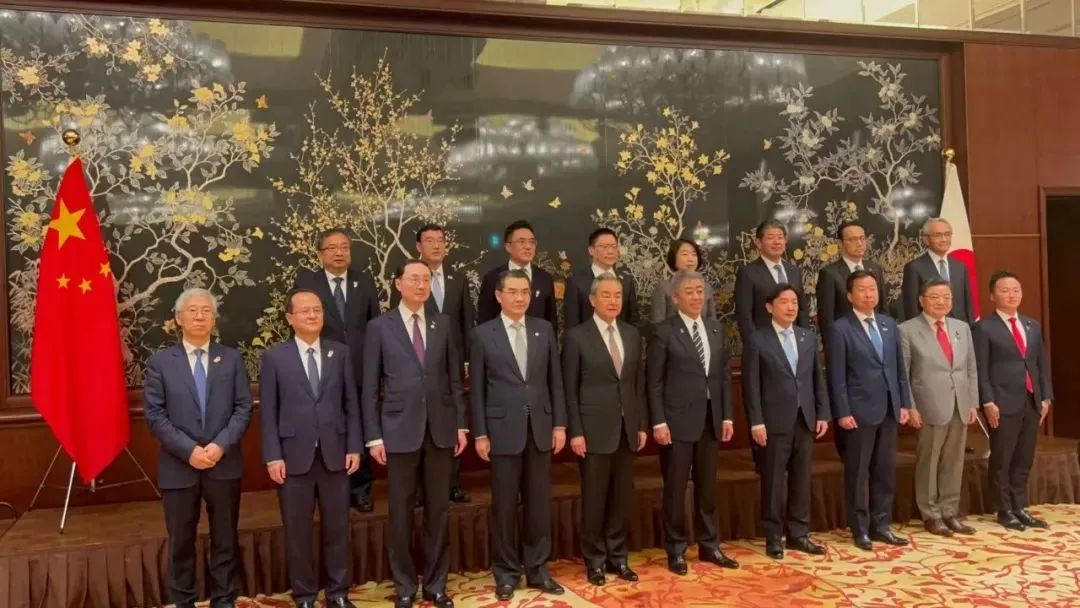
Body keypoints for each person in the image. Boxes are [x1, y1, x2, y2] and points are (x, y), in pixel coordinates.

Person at [363, 260, 467, 608]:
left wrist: (461, 424)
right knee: (401, 512)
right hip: (398, 430)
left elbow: (454, 380)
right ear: (398, 284)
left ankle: (436, 585)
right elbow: (370, 386)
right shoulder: (380, 327)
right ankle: (405, 586)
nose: (421, 285)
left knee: (439, 510)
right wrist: (374, 436)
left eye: (425, 280)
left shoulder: (444, 323)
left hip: (440, 429)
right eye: (414, 279)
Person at [144, 288, 253, 608]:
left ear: (215, 319)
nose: (200, 316)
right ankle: (184, 601)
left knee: (225, 538)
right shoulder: (161, 363)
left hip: (224, 462)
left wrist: (220, 445)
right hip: (179, 465)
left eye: (206, 310)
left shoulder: (231, 359)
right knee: (181, 541)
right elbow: (155, 415)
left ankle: (224, 599)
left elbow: (243, 408)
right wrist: (190, 450)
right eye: (192, 310)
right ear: (179, 319)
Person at [260, 288, 361, 608]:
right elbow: (268, 412)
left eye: (317, 309)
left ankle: (338, 593)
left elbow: (351, 404)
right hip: (293, 458)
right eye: (305, 311)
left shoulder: (339, 353)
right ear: (290, 318)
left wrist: (354, 446)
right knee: (298, 532)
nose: (313, 315)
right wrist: (273, 455)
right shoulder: (275, 357)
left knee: (338, 529)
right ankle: (304, 595)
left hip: (335, 455)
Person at [470, 269, 567, 601]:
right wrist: (480, 433)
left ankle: (538, 569)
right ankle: (506, 573)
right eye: (512, 292)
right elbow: (477, 390)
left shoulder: (544, 329)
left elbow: (555, 381)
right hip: (501, 431)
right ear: (499, 296)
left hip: (540, 428)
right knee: (505, 505)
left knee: (538, 504)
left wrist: (559, 425)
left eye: (525, 291)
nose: (520, 297)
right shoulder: (483, 334)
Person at [648, 270, 739, 575]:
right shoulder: (664, 332)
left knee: (707, 487)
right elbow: (654, 381)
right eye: (689, 291)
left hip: (711, 420)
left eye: (700, 291)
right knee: (675, 489)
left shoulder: (715, 328)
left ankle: (709, 544)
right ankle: (675, 549)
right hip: (676, 422)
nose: (696, 296)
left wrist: (727, 415)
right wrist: (658, 421)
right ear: (675, 298)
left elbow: (723, 377)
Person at [562, 273, 646, 585]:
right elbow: (569, 389)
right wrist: (575, 431)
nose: (613, 301)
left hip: (627, 428)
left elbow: (637, 384)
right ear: (592, 300)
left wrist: (641, 424)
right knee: (595, 500)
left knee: (621, 498)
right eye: (607, 295)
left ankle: (617, 557)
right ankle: (594, 560)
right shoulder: (576, 337)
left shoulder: (632, 334)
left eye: (618, 296)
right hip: (592, 430)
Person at [292, 227, 381, 512]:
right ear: (320, 254)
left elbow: (375, 326)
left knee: (361, 425)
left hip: (360, 368)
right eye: (332, 248)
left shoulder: (364, 281)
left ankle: (361, 488)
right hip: (322, 369)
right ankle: (327, 488)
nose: (340, 252)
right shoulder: (307, 282)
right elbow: (298, 326)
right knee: (328, 426)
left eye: (344, 247)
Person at [741, 284, 829, 560]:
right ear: (770, 307)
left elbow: (816, 379)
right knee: (773, 482)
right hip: (773, 422)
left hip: (805, 419)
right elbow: (751, 385)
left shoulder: (806, 337)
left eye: (794, 302)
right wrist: (756, 422)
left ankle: (798, 534)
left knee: (801, 479)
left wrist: (822, 413)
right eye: (784, 302)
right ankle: (773, 537)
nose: (791, 307)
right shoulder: (757, 340)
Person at [825, 269, 911, 551]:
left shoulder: (888, 324)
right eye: (862, 290)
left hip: (889, 409)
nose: (868, 294)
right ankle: (860, 528)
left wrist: (903, 403)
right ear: (850, 296)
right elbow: (836, 376)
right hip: (858, 412)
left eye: (872, 289)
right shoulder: (840, 328)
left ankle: (881, 525)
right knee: (858, 473)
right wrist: (843, 411)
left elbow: (898, 369)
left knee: (884, 471)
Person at [390, 224, 475, 503]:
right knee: (419, 425)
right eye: (429, 240)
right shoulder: (407, 277)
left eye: (441, 240)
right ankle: (417, 489)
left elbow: (466, 321)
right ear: (418, 246)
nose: (436, 245)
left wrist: (466, 359)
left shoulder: (457, 278)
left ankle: (451, 483)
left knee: (449, 420)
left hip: (450, 362)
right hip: (415, 364)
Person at [899, 277, 979, 537]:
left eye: (946, 297)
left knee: (954, 461)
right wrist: (910, 407)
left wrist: (973, 402)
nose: (941, 301)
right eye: (934, 297)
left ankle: (950, 511)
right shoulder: (907, 330)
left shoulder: (961, 328)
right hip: (928, 405)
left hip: (960, 403)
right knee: (929, 461)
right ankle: (931, 514)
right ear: (921, 300)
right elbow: (904, 374)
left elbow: (970, 368)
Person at [973, 271, 1053, 531]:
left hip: (1031, 400)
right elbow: (981, 369)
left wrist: (1045, 397)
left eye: (1016, 290)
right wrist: (987, 401)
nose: (1012, 295)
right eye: (1005, 290)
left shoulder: (1031, 325)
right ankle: (1003, 509)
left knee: (1024, 457)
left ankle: (1020, 506)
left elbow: (1041, 365)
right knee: (1002, 457)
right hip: (1001, 402)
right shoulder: (984, 327)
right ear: (992, 296)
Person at [734, 219, 810, 345]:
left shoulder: (794, 271)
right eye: (770, 238)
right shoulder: (748, 273)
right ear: (759, 243)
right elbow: (744, 315)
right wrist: (755, 346)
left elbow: (802, 309)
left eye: (780, 237)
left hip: (794, 341)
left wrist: (804, 340)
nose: (777, 242)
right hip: (765, 343)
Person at [477, 220, 557, 326]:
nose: (528, 246)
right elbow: (484, 321)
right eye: (521, 241)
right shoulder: (492, 278)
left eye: (532, 242)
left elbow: (551, 321)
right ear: (508, 247)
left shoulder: (545, 278)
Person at [816, 220, 886, 338]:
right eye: (852, 239)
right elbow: (827, 317)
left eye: (862, 238)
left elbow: (883, 308)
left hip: (875, 334)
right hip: (846, 337)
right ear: (840, 243)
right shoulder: (829, 273)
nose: (859, 243)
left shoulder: (875, 269)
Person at [901, 217, 975, 324]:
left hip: (958, 328)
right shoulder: (914, 267)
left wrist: (970, 328)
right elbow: (912, 308)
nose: (944, 239)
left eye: (947, 234)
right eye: (938, 235)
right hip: (928, 327)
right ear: (926, 239)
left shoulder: (960, 267)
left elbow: (968, 304)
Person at [564, 228, 638, 328]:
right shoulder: (576, 281)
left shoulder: (626, 280)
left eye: (614, 246)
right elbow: (572, 324)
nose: (610, 251)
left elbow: (633, 320)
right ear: (591, 250)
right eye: (604, 247)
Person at [649, 237, 717, 324]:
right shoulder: (663, 287)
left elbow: (712, 322)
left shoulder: (706, 287)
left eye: (694, 254)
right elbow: (657, 323)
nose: (690, 259)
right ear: (674, 258)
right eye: (685, 254)